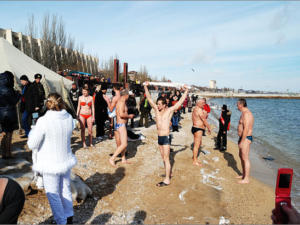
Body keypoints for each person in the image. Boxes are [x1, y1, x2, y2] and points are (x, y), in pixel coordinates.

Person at [27, 93, 77, 224]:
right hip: (65, 158)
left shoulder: (43, 121)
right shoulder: (68, 117)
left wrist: (34, 130)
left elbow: (32, 144)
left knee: (52, 193)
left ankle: (61, 221)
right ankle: (68, 215)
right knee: (64, 188)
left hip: (50, 162)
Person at [144, 81, 188, 186]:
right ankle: (169, 173)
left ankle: (167, 180)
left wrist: (186, 91)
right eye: (157, 104)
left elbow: (180, 102)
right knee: (163, 158)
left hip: (166, 137)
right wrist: (146, 86)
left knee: (166, 158)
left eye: (160, 104)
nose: (158, 106)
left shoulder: (169, 111)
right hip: (159, 137)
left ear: (164, 105)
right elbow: (149, 99)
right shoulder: (156, 111)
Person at [109, 89, 134, 167]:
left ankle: (123, 159)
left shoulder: (122, 101)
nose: (129, 97)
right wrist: (130, 116)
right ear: (126, 95)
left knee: (123, 143)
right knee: (124, 144)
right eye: (128, 95)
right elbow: (121, 114)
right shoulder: (121, 102)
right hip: (121, 125)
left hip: (121, 125)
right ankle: (112, 158)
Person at [0, 71, 21, 159]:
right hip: (9, 112)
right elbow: (13, 101)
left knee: (4, 133)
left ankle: (3, 152)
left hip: (1, 112)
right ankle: (8, 153)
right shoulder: (9, 89)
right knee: (9, 133)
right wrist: (18, 94)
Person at [237, 98, 254, 184]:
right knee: (241, 156)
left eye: (237, 104)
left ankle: (246, 179)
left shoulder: (247, 114)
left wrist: (242, 141)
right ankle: (244, 174)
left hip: (246, 138)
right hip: (242, 138)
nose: (236, 106)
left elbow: (246, 128)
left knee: (245, 157)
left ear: (241, 105)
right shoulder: (243, 113)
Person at [191, 99, 211, 166]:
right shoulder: (199, 110)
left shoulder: (195, 108)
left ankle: (195, 158)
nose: (204, 104)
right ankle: (194, 161)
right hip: (198, 128)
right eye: (202, 103)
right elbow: (204, 119)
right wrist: (209, 127)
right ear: (198, 103)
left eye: (204, 103)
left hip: (195, 127)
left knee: (198, 144)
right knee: (196, 145)